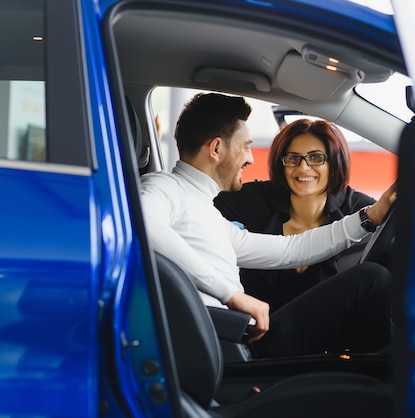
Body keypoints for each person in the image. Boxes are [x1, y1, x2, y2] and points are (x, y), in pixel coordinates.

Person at [140, 93, 396, 358]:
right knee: (372, 281)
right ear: (216, 149)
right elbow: (144, 227)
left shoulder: (205, 209)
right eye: (245, 146)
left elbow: (291, 249)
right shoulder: (163, 187)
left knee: (370, 281)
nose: (250, 158)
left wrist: (369, 218)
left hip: (229, 340)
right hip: (224, 348)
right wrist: (231, 295)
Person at [214, 118, 376, 312]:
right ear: (282, 164)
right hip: (256, 332)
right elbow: (200, 202)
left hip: (332, 337)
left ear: (334, 162)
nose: (303, 168)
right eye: (293, 158)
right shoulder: (256, 199)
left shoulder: (359, 208)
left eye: (316, 157)